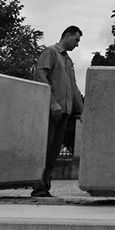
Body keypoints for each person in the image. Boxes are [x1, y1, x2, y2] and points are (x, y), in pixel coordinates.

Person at [31, 26, 84, 198]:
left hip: (64, 112)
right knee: (45, 148)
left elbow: (74, 88)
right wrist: (52, 102)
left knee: (54, 151)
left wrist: (83, 111)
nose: (77, 44)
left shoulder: (68, 61)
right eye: (76, 40)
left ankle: (45, 186)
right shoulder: (51, 52)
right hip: (50, 110)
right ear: (67, 35)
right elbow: (40, 75)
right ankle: (38, 185)